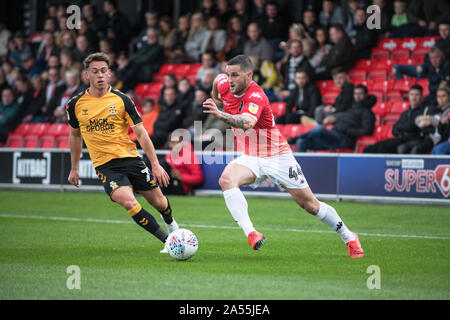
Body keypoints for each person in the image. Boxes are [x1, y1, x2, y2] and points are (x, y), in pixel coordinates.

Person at [202, 54, 364, 257]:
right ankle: (251, 233)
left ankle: (350, 237)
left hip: (276, 156)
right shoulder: (222, 82)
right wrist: (218, 97)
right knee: (226, 180)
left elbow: (247, 122)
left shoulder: (256, 96)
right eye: (229, 74)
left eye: (235, 75)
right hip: (250, 156)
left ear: (249, 75)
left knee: (310, 205)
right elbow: (217, 89)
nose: (230, 79)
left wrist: (220, 114)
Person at [66, 52, 178, 252]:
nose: (100, 75)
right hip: (106, 166)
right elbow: (75, 136)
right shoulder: (75, 105)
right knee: (129, 202)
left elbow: (142, 134)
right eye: (95, 71)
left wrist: (155, 164)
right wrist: (74, 168)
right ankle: (169, 242)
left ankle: (172, 226)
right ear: (86, 75)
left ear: (109, 74)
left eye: (103, 71)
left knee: (160, 203)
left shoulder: (122, 100)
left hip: (131, 159)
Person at [293, 84, 376, 152]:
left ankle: (296, 137)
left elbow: (367, 130)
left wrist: (348, 131)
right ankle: (301, 171)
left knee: (319, 129)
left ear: (365, 95)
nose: (357, 96)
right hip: (333, 136)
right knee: (301, 142)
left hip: (344, 139)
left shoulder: (367, 112)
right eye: (355, 93)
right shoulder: (350, 107)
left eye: (360, 93)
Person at [364, 85, 427, 154]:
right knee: (369, 149)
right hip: (401, 138)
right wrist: (403, 130)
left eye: (416, 95)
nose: (414, 98)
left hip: (413, 139)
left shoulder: (424, 111)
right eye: (412, 95)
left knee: (384, 147)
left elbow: (411, 127)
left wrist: (403, 128)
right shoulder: (405, 113)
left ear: (421, 97)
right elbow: (394, 128)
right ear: (408, 96)